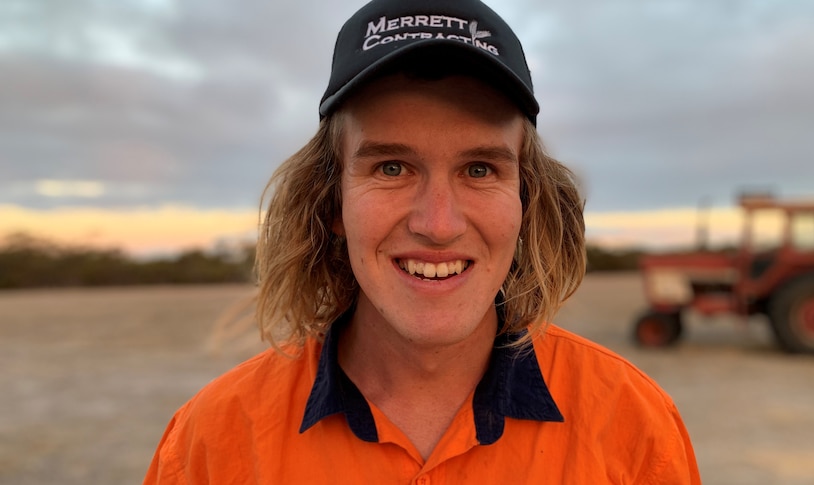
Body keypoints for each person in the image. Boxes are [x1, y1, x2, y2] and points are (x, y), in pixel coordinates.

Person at [144, 0, 701, 483]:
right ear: (331, 201)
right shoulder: (212, 442)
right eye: (391, 167)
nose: (438, 225)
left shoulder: (633, 423)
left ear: (527, 202)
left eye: (480, 170)